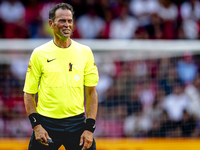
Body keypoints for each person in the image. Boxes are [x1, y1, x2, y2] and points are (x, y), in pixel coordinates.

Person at [23, 3, 99, 150]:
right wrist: (37, 126)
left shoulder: (85, 52)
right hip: (46, 124)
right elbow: (29, 93)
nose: (67, 25)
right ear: (51, 24)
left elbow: (91, 92)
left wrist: (89, 128)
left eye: (70, 21)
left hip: (77, 123)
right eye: (62, 21)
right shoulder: (39, 54)